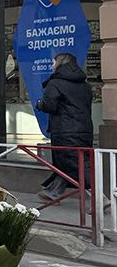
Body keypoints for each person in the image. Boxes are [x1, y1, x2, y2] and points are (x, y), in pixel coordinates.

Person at [36, 52, 93, 199]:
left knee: (73, 163)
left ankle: (98, 197)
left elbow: (50, 106)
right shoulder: (85, 85)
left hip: (64, 131)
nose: (52, 65)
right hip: (84, 130)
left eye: (54, 62)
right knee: (70, 161)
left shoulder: (55, 83)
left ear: (60, 63)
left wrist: (40, 104)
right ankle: (53, 192)